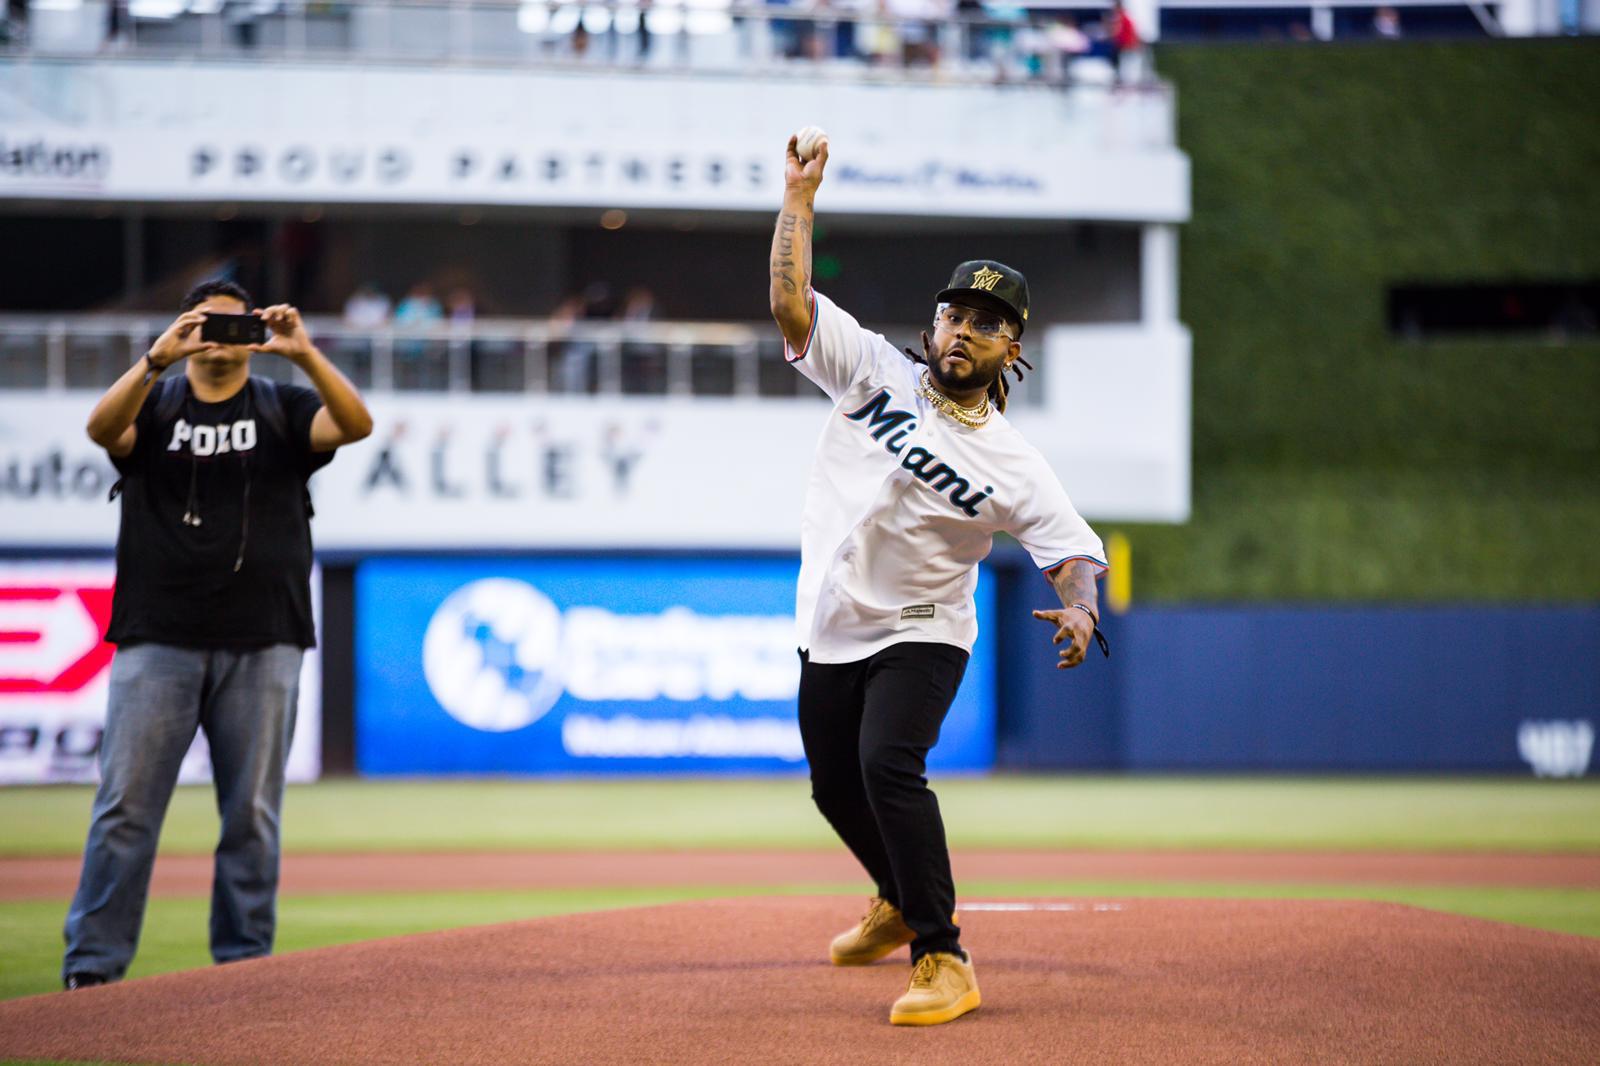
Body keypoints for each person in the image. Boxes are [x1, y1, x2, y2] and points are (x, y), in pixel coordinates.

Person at [767, 133, 1108, 1026]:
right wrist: (799, 198)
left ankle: (943, 956)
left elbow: (1071, 547)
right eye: (956, 314)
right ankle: (892, 896)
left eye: (987, 323)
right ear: (936, 322)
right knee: (832, 786)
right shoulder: (871, 367)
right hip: (833, 613)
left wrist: (1080, 605)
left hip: (925, 624)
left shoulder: (1015, 463)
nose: (965, 330)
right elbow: (789, 305)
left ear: (1012, 346)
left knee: (887, 763)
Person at [62, 279, 372, 990]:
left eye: (236, 328)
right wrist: (154, 361)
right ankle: (93, 971)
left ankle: (243, 972)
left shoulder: (282, 405)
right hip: (158, 637)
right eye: (208, 326)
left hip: (265, 639)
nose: (222, 341)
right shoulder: (158, 402)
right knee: (125, 812)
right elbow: (102, 431)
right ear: (186, 327)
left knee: (252, 818)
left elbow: (355, 426)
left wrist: (304, 354)